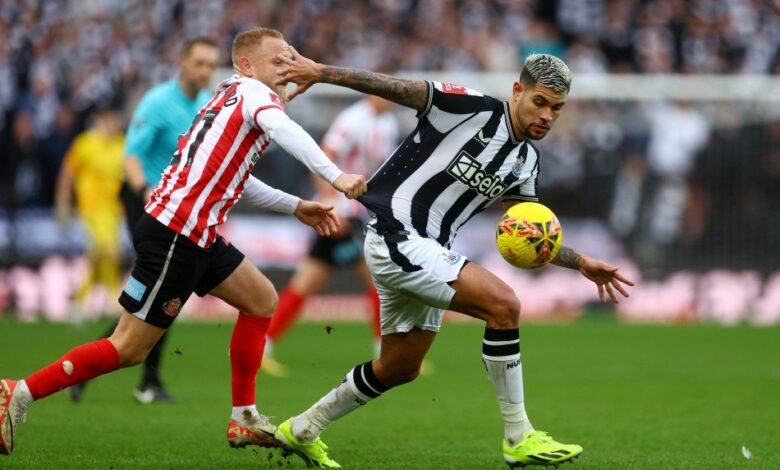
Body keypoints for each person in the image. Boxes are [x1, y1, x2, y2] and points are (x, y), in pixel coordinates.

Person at [0, 27, 367, 457]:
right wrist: (335, 177)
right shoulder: (253, 95)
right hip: (177, 233)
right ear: (247, 65)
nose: (288, 68)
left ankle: (244, 417)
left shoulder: (228, 95)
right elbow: (286, 131)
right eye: (278, 61)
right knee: (128, 347)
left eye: (291, 58)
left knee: (260, 298)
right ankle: (17, 392)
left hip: (193, 231)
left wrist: (296, 206)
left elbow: (238, 181)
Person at [270, 52, 635, 468]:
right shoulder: (467, 107)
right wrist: (321, 72)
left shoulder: (525, 162)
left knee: (400, 366)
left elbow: (529, 233)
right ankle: (519, 435)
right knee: (504, 304)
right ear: (517, 91)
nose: (547, 115)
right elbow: (392, 86)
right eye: (540, 101)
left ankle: (301, 428)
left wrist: (580, 262)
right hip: (396, 233)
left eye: (557, 108)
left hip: (428, 249)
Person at [68, 36, 221, 405]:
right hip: (146, 203)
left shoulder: (204, 103)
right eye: (199, 63)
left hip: (176, 209)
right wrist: (146, 192)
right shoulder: (157, 102)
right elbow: (132, 156)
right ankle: (137, 379)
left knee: (161, 294)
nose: (205, 71)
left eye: (210, 65)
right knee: (164, 291)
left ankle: (94, 368)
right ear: (181, 62)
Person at [262, 95, 399, 377]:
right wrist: (330, 203)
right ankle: (387, 354)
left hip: (358, 213)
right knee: (378, 278)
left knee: (307, 282)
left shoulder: (387, 123)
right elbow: (325, 157)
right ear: (373, 94)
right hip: (341, 213)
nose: (390, 101)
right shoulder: (353, 119)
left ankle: (262, 347)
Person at [55, 107, 125, 317]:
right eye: (110, 120)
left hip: (113, 210)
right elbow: (68, 173)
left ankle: (78, 300)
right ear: (100, 121)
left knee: (101, 254)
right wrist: (62, 202)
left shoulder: (121, 144)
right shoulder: (85, 144)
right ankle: (113, 299)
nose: (114, 125)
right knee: (110, 249)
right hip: (91, 208)